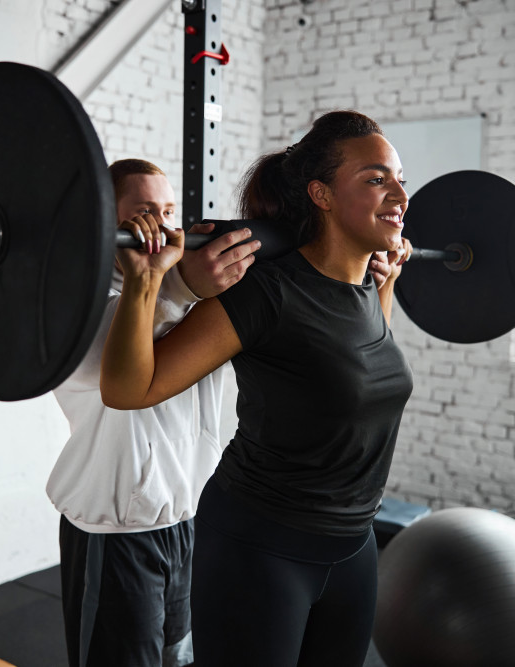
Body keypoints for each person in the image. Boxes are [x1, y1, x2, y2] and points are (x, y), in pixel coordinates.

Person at [99, 111, 415, 667]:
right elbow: (130, 389)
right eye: (375, 178)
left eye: (399, 179)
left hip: (354, 545)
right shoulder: (267, 294)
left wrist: (384, 285)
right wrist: (146, 281)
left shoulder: (367, 288)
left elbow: (356, 376)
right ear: (321, 194)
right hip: (262, 547)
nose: (399, 194)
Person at [46, 158, 259, 667]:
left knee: (178, 660)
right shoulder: (80, 305)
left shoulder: (182, 299)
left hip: (185, 522)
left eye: (167, 212)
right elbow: (118, 371)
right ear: (106, 224)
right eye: (142, 214)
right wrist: (178, 287)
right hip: (115, 533)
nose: (161, 229)